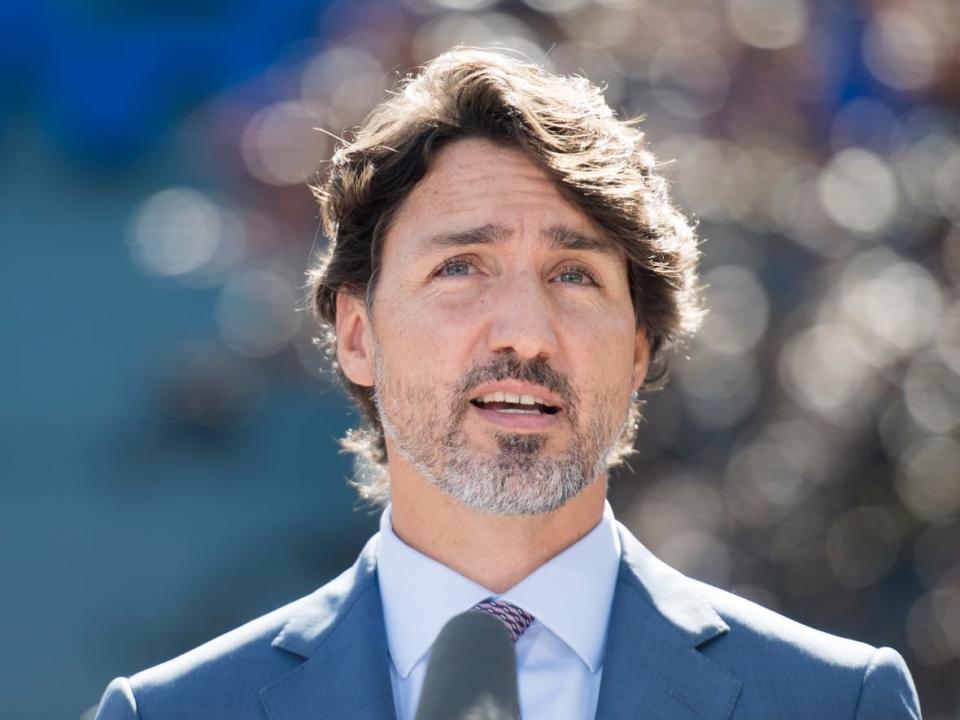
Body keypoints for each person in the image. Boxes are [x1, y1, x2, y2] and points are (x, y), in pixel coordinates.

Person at [95, 48, 921, 720]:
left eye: (574, 276)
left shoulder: (835, 701)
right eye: (461, 267)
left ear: (638, 349)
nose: (525, 331)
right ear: (357, 336)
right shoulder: (174, 712)